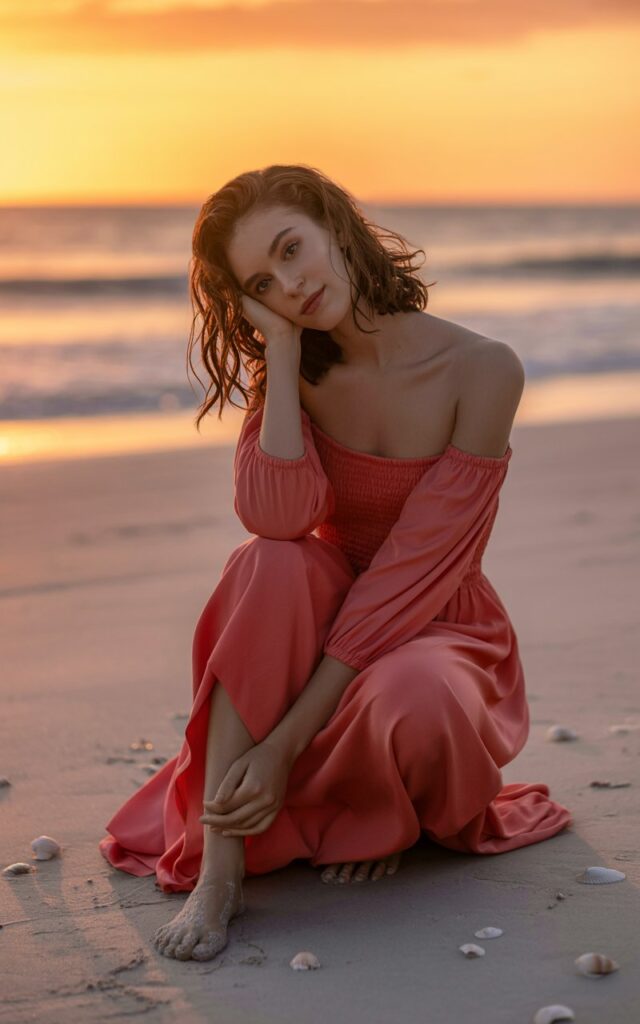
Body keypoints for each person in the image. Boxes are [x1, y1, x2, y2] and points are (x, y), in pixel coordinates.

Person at [98, 163, 572, 962]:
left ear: (336, 227)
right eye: (263, 281)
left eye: (292, 249)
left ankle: (374, 808)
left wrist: (283, 744)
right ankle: (222, 868)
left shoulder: (484, 369)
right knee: (271, 564)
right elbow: (276, 519)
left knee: (410, 689)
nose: (291, 283)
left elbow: (415, 569)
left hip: (434, 619)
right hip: (313, 615)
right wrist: (280, 357)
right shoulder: (295, 374)